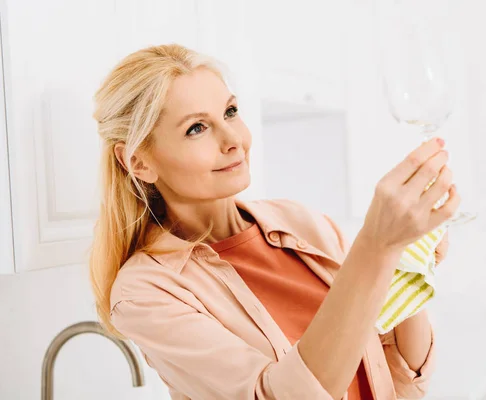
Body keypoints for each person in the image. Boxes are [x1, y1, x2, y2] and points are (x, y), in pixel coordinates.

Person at [89, 44, 459, 400]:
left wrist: (405, 258)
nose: (233, 139)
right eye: (197, 128)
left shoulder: (300, 222)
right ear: (139, 162)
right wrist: (376, 247)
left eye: (231, 112)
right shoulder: (147, 291)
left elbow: (400, 378)